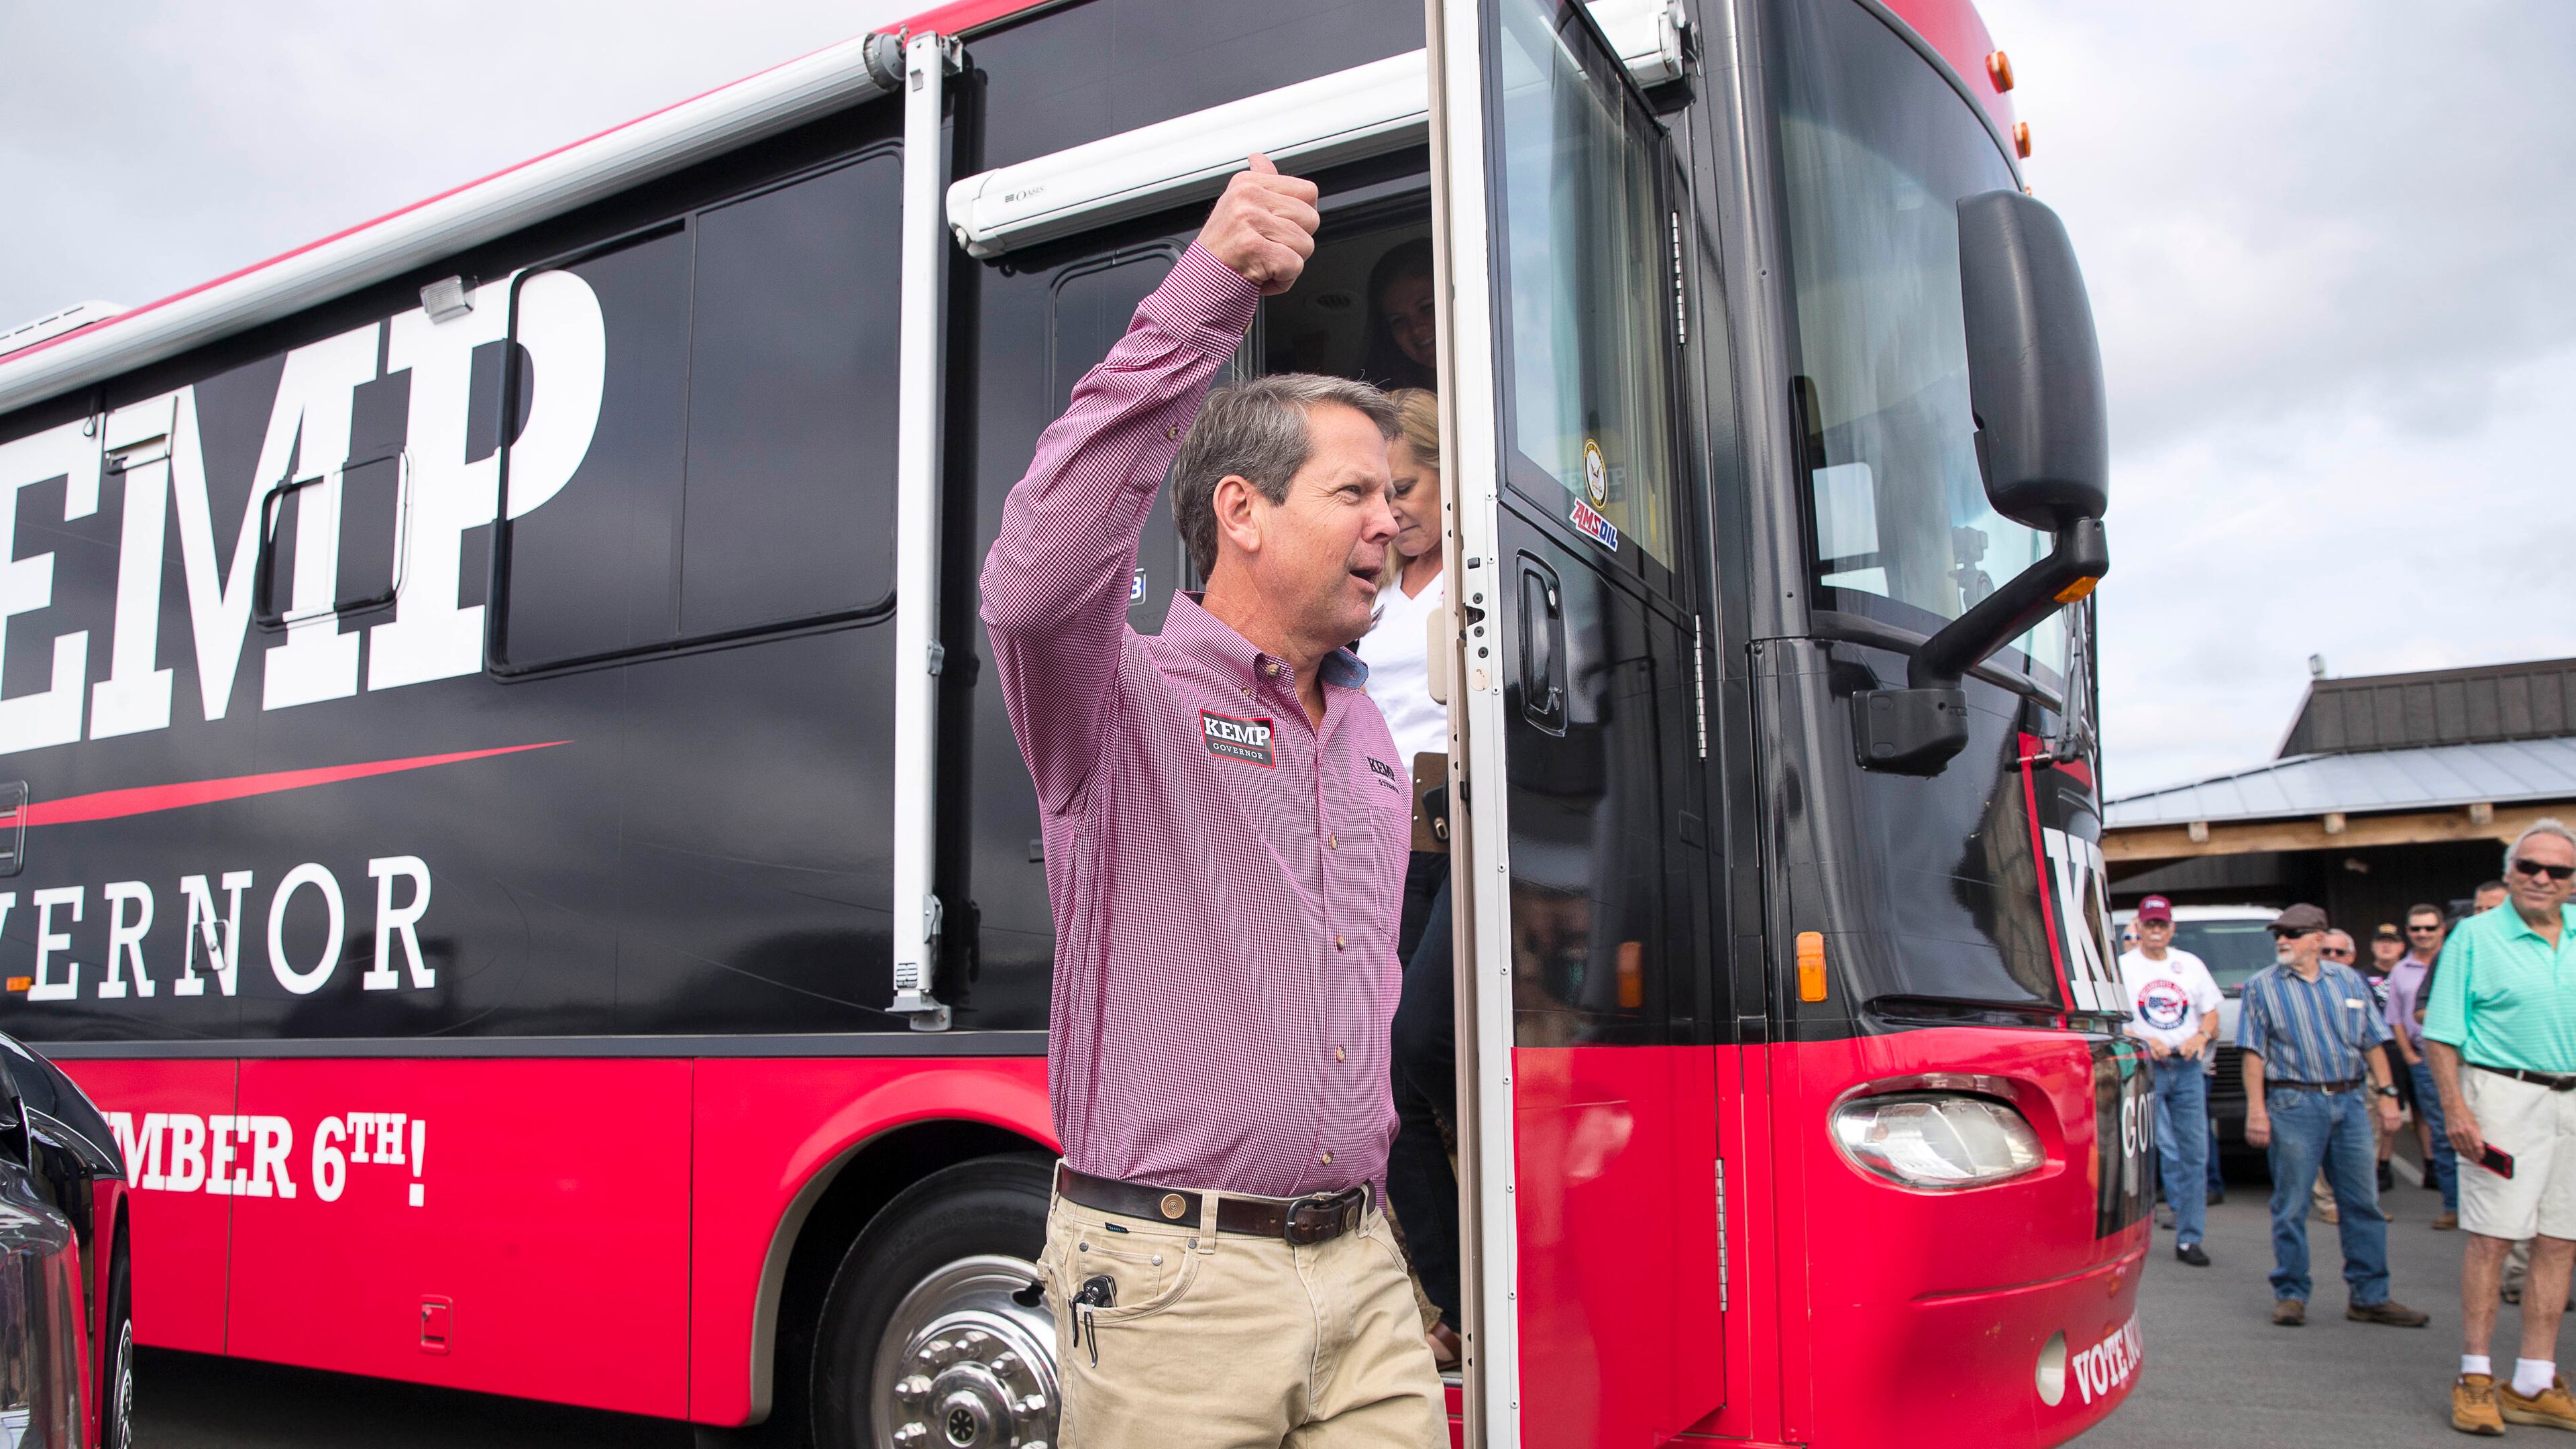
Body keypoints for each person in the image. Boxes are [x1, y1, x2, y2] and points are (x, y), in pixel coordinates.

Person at [980, 156, 1444, 1447]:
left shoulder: (1363, 732)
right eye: (1354, 492)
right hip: (1176, 1288)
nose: (1389, 523)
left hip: (1359, 1276)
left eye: (1396, 497)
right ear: (1240, 511)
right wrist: (1206, 296)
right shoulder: (1118, 703)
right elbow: (1033, 580)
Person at [1361, 388, 1464, 1367]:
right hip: (1382, 848)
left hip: (1462, 843)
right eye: (1381, 498)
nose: (1393, 514)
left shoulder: (1476, 582)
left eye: (1409, 488)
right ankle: (1451, 1297)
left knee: (1425, 1043)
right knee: (1389, 1078)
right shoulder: (1377, 593)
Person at [2424, 821, 2576, 1434]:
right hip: (2502, 1095)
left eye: (2557, 871)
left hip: (2571, 1099)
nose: (2542, 878)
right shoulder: (2474, 936)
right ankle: (2476, 1376)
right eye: (2530, 867)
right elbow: (2440, 1033)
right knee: (2493, 1239)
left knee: (2561, 1241)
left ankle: (2534, 1382)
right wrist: (2456, 1110)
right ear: (2511, 872)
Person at [2239, 902, 2428, 1330]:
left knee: (2363, 1203)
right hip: (2294, 1103)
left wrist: (2389, 1095)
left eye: (2292, 933)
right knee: (2291, 1205)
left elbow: (2374, 1040)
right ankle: (2290, 1293)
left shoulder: (2348, 980)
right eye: (2279, 934)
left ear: (2319, 938)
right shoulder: (2262, 986)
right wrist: (2257, 1111)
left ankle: (2370, 1296)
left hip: (2351, 1101)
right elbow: (2253, 1052)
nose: (2282, 941)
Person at [2119, 896, 2222, 1265]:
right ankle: (2131, 1240)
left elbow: (2211, 1013)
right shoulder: (2123, 967)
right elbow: (2111, 1019)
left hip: (2188, 1067)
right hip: (2145, 1067)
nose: (2156, 931)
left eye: (2162, 925)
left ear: (2172, 928)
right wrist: (2143, 1038)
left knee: (2195, 1152)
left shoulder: (2190, 965)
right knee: (2139, 1154)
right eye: (2150, 925)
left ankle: (2189, 1237)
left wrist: (2202, 1037)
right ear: (2140, 928)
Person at [2386, 906, 2459, 1229]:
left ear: (2442, 929)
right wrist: (2411, 1056)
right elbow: (2397, 1019)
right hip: (2425, 1057)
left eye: (2430, 928)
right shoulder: (2401, 970)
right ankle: (2454, 1206)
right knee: (2442, 1133)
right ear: (2409, 932)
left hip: (2467, 1057)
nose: (2423, 934)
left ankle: (2487, 1211)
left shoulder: (2459, 959)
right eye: (2417, 929)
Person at [1359, 237, 1436, 392]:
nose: (1416, 330)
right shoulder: (1389, 404)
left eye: (1427, 308)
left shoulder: (1494, 373)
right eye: (1398, 321)